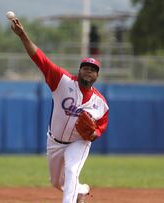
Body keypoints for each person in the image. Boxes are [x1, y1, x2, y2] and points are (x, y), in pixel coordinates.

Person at [10, 19, 109, 203]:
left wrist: (94, 133)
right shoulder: (62, 81)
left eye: (93, 70)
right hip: (54, 141)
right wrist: (23, 35)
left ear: (97, 76)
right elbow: (40, 59)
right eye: (85, 68)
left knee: (72, 170)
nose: (89, 72)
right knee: (56, 182)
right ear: (79, 71)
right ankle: (81, 190)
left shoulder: (100, 103)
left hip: (79, 142)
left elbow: (101, 126)